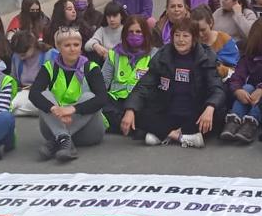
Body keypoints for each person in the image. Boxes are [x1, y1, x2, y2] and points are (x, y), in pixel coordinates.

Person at [122, 19, 224, 148]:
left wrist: (210, 107)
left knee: (218, 112)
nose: (180, 40)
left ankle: (162, 133)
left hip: (195, 112)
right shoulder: (163, 55)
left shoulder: (205, 56)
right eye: (177, 35)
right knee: (136, 111)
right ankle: (180, 136)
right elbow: (144, 86)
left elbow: (217, 88)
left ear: (194, 39)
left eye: (185, 36)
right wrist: (130, 109)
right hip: (168, 112)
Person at [30, 28, 112, 161]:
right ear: (58, 47)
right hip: (55, 123)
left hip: (89, 131)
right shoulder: (49, 67)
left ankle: (57, 141)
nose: (72, 49)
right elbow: (33, 94)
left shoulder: (91, 67)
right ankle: (63, 138)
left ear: (81, 46)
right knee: (43, 94)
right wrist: (54, 109)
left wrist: (73, 109)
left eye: (76, 45)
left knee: (89, 97)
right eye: (67, 45)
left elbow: (102, 99)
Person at [220, 17, 262, 144]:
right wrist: (237, 90)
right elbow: (237, 76)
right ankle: (233, 121)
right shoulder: (250, 55)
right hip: (251, 95)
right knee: (246, 88)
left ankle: (250, 124)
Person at [102, 15, 157, 131]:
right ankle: (135, 128)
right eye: (130, 32)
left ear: (146, 34)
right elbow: (103, 82)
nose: (134, 35)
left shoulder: (155, 54)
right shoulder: (114, 53)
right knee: (100, 103)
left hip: (140, 101)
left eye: (138, 32)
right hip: (116, 101)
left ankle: (120, 125)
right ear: (125, 35)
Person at [193, 7, 239, 78]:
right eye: (195, 30)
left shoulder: (224, 40)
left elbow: (235, 70)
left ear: (211, 23)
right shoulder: (190, 40)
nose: (200, 34)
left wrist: (218, 69)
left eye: (203, 30)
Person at [9, 30, 47, 116]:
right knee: (12, 104)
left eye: (23, 54)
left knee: (15, 103)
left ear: (33, 46)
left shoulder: (50, 55)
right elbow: (13, 77)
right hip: (24, 92)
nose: (20, 57)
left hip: (43, 93)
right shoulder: (16, 56)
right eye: (18, 54)